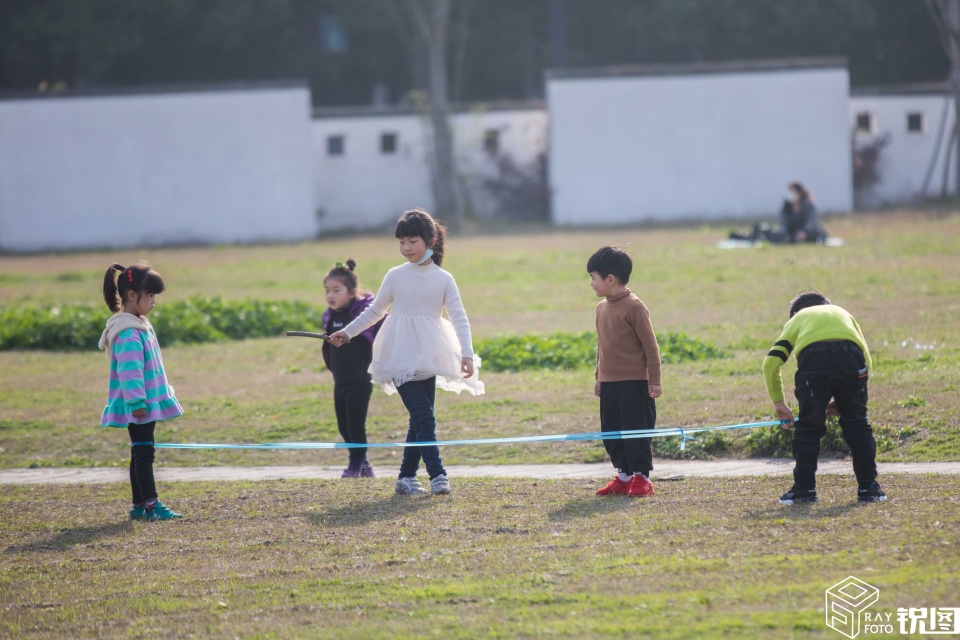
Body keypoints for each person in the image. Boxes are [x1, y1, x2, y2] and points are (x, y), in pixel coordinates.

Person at [328, 208, 483, 496]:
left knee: (419, 418)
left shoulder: (444, 279)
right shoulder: (395, 275)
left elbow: (459, 317)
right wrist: (347, 333)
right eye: (402, 242)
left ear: (431, 240)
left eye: (412, 241)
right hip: (399, 353)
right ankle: (438, 476)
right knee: (424, 416)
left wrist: (467, 353)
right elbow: (375, 311)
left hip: (430, 353)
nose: (406, 248)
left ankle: (406, 477)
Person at [763, 290, 886, 505]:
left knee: (809, 428)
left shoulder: (798, 318)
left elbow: (771, 363)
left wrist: (779, 404)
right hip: (852, 360)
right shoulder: (843, 313)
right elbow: (867, 360)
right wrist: (845, 397)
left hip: (814, 361)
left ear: (794, 313)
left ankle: (804, 490)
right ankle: (869, 488)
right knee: (857, 424)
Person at [99, 263, 184, 521]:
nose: (153, 301)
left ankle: (138, 506)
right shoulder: (128, 333)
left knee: (140, 451)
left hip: (144, 402)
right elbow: (130, 371)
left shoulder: (138, 324)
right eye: (150, 295)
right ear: (132, 296)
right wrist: (136, 401)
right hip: (139, 405)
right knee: (144, 453)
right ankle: (151, 505)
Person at [587, 246, 662, 498]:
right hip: (609, 383)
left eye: (593, 277)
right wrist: (599, 378)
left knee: (635, 430)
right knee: (611, 432)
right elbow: (602, 346)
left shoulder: (634, 307)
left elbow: (650, 346)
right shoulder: (600, 308)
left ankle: (642, 478)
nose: (591, 284)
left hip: (634, 382)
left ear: (610, 279)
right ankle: (623, 477)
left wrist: (655, 380)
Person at [321, 259, 384, 478]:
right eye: (327, 290)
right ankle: (364, 464)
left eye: (336, 290)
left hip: (360, 380)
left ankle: (355, 465)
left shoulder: (361, 315)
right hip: (340, 381)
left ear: (351, 292)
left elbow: (379, 327)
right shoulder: (330, 317)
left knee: (356, 425)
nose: (330, 295)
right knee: (343, 426)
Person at [729, 182, 828, 244]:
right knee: (774, 236)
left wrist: (804, 232)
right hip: (791, 232)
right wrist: (785, 233)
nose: (790, 195)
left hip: (807, 233)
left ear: (799, 193)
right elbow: (782, 221)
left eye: (792, 192)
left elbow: (811, 221)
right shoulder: (786, 206)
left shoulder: (809, 206)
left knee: (816, 236)